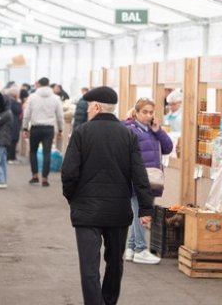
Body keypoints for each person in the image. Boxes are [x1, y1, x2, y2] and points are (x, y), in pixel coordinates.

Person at [61, 86, 154, 305]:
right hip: (118, 211)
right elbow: (139, 174)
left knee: (89, 266)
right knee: (115, 262)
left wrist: (72, 198)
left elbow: (69, 173)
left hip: (86, 212)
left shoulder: (81, 133)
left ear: (95, 106)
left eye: (88, 107)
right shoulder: (128, 134)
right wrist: (146, 208)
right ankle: (109, 301)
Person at [122, 98, 173, 265]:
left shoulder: (152, 130)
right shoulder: (130, 129)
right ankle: (140, 249)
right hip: (137, 178)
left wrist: (158, 131)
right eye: (145, 112)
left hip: (151, 178)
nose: (148, 115)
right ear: (136, 113)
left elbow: (168, 148)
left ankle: (130, 248)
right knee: (141, 212)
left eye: (151, 112)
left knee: (139, 212)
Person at [21, 77, 64, 187]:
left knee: (33, 152)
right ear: (49, 85)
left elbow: (27, 114)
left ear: (39, 84)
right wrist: (60, 129)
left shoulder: (32, 97)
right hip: (49, 129)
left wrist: (25, 128)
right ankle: (45, 178)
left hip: (35, 128)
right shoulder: (56, 98)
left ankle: (35, 176)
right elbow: (60, 115)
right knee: (47, 153)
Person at [5, 86, 23, 164]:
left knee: (13, 140)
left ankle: (12, 157)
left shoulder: (7, 99)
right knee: (13, 140)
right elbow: (18, 110)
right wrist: (19, 102)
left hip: (11, 123)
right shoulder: (12, 101)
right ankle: (10, 157)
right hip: (13, 123)